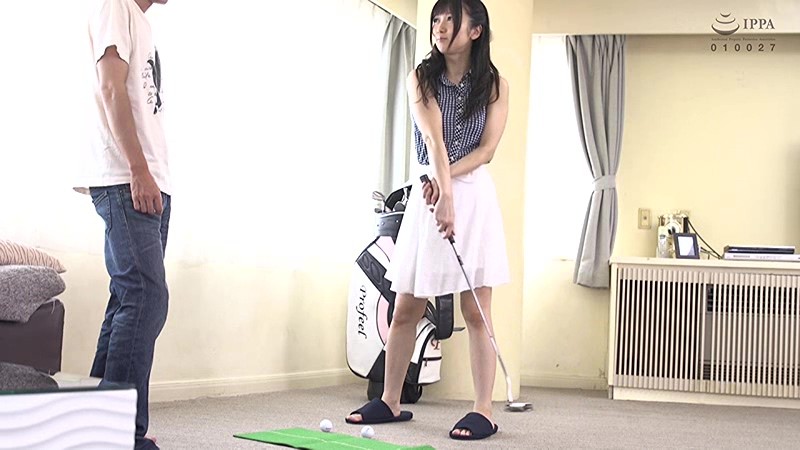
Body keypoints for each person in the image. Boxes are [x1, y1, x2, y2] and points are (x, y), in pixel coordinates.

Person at [346, 0, 510, 441]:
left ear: (475, 31)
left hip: (469, 194)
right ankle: (390, 400)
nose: (439, 25)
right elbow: (434, 140)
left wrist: (447, 187)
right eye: (436, 18)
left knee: (476, 309)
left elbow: (486, 151)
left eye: (450, 19)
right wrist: (440, 191)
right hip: (430, 191)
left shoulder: (495, 85)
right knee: (406, 306)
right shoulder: (420, 77)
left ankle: (483, 410)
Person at [76, 0, 171, 448]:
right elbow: (110, 88)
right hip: (126, 178)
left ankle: (92, 428)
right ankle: (119, 434)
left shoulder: (140, 21)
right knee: (146, 296)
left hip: (147, 180)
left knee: (127, 300)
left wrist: (150, 174)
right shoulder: (114, 5)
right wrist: (137, 170)